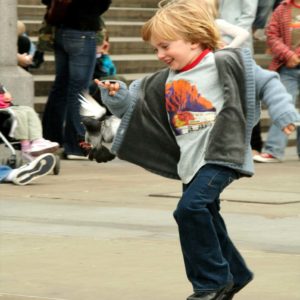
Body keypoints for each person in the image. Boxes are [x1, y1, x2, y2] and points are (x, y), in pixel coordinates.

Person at [91, 1, 299, 299]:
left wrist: (284, 113)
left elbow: (268, 82)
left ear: (194, 38)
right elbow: (133, 109)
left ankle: (211, 283)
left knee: (189, 209)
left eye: (165, 46)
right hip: (190, 161)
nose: (160, 55)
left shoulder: (226, 61)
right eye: (155, 50)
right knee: (208, 216)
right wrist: (117, 95)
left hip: (221, 154)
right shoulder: (163, 79)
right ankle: (236, 274)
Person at [41, 0, 111, 160]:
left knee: (61, 87)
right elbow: (102, 4)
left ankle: (50, 139)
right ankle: (75, 145)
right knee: (78, 91)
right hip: (82, 31)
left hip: (61, 31)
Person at [253, 0, 300, 163]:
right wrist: (288, 55)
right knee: (282, 104)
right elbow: (272, 35)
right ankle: (274, 150)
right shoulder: (282, 8)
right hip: (287, 67)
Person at [0, 83, 59, 159]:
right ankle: (26, 147)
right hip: (3, 112)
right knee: (19, 114)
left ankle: (37, 140)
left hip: (6, 108)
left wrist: (5, 97)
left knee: (28, 110)